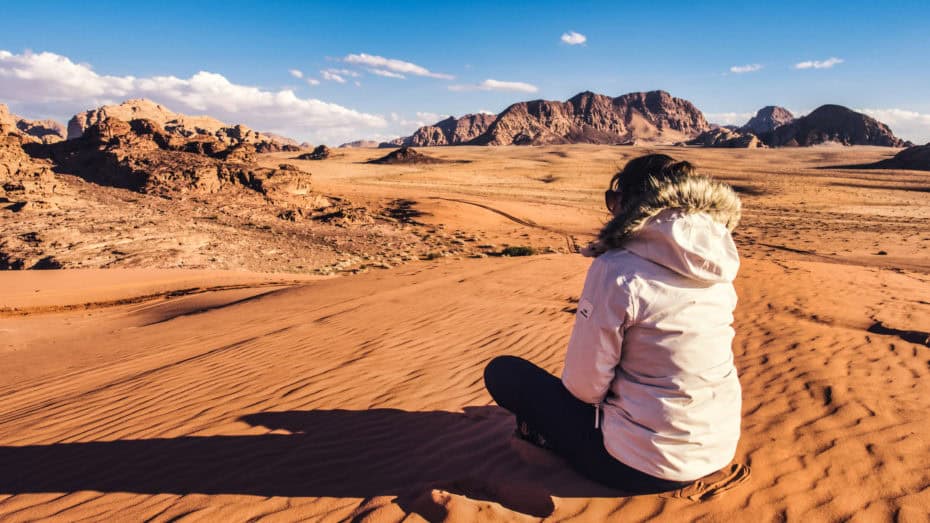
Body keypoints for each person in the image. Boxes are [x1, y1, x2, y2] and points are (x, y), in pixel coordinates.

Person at [484, 154, 743, 494]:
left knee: (504, 373)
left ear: (635, 204)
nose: (612, 209)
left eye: (615, 200)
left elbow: (583, 388)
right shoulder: (719, 267)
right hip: (717, 450)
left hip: (637, 465)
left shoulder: (617, 270)